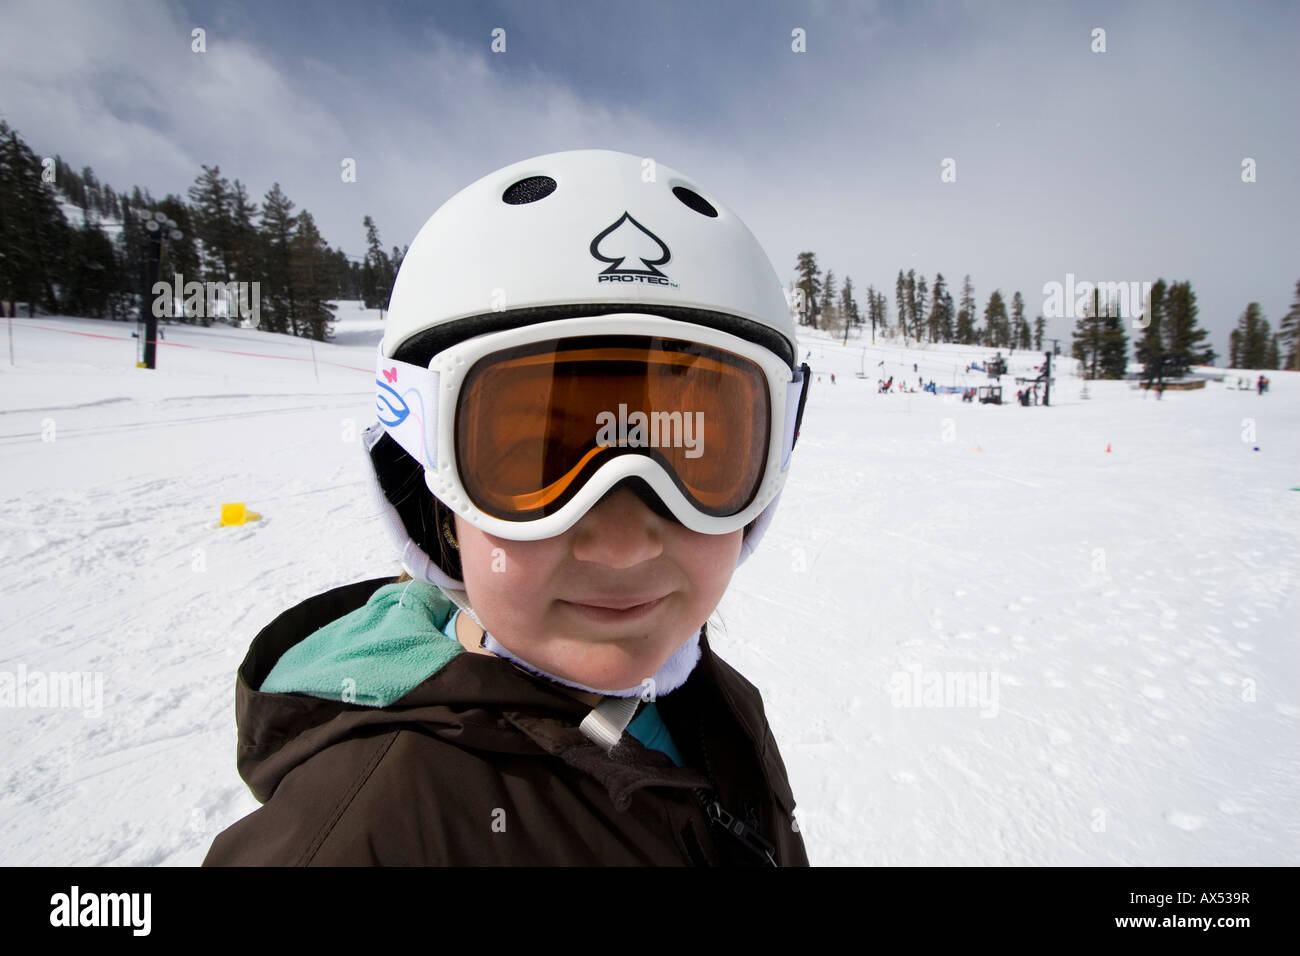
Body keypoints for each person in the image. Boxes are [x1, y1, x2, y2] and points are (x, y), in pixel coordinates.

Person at [202, 149, 812, 867]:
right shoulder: (366, 836)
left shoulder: (711, 699)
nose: (623, 544)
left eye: (695, 451)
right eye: (534, 457)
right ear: (428, 491)